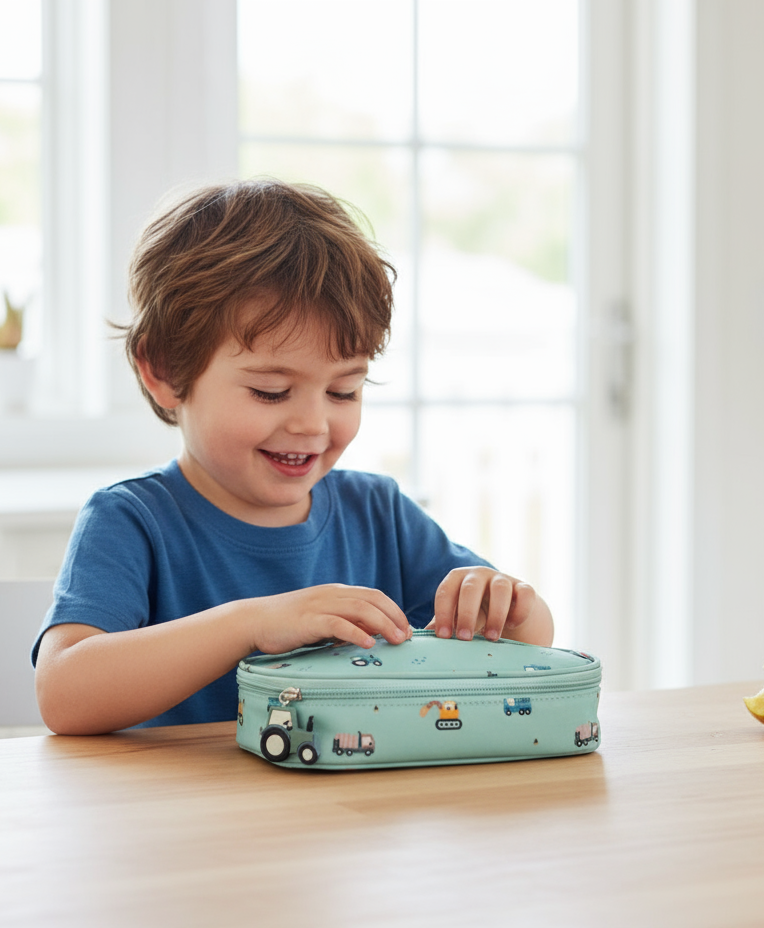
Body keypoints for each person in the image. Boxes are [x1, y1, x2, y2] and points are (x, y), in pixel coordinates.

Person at [32, 178, 553, 735]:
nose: (312, 424)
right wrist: (252, 623)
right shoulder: (132, 520)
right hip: (183, 794)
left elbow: (526, 643)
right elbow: (63, 693)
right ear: (163, 371)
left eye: (343, 391)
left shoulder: (378, 513)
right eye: (271, 392)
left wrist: (510, 608)